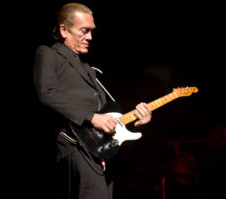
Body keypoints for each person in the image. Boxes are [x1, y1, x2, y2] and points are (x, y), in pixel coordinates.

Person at [33, 3, 152, 199]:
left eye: (91, 31)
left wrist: (137, 120)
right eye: (84, 31)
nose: (90, 37)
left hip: (101, 151)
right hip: (77, 147)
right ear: (64, 30)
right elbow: (47, 93)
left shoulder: (88, 67)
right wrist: (91, 117)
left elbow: (107, 113)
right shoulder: (48, 54)